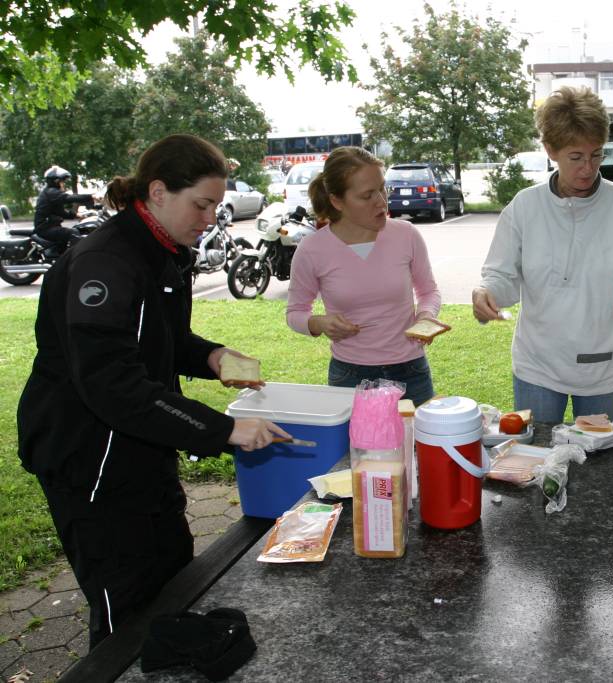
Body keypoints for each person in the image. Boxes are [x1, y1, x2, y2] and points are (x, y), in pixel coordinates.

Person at [17, 134, 288, 649]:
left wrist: (211, 357)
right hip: (89, 460)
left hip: (143, 449)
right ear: (159, 192)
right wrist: (223, 429)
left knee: (173, 585)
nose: (209, 218)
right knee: (124, 607)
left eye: (215, 205)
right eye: (201, 204)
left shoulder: (165, 251)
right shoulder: (105, 262)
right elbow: (110, 381)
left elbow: (164, 338)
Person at [472, 86, 613, 423]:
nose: (588, 168)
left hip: (605, 366)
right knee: (538, 462)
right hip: (538, 365)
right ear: (550, 150)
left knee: (597, 466)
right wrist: (486, 293)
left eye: (596, 154)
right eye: (576, 157)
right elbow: (501, 275)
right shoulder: (526, 206)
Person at [285, 146, 441, 406]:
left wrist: (425, 317)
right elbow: (295, 313)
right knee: (357, 448)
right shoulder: (312, 249)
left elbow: (428, 293)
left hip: (411, 371)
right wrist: (320, 323)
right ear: (337, 201)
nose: (381, 201)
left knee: (417, 445)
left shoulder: (406, 234)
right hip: (350, 375)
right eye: (367, 195)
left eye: (382, 188)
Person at [33, 165, 97, 254]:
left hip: (50, 227)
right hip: (45, 229)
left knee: (74, 232)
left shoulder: (51, 194)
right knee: (73, 233)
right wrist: (91, 197)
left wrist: (76, 215)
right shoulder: (51, 192)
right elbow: (68, 198)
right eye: (62, 182)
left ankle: (62, 259)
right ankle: (76, 259)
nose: (63, 184)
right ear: (56, 181)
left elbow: (60, 212)